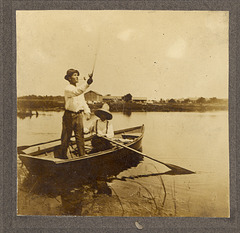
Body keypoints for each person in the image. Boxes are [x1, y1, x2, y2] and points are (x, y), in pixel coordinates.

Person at [60, 68, 93, 159]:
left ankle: (82, 156)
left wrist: (87, 112)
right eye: (74, 75)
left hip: (79, 115)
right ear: (69, 78)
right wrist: (87, 83)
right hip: (69, 116)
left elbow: (83, 102)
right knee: (66, 137)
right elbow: (77, 92)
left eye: (77, 75)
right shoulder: (68, 89)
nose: (77, 77)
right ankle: (62, 156)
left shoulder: (79, 90)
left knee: (80, 137)